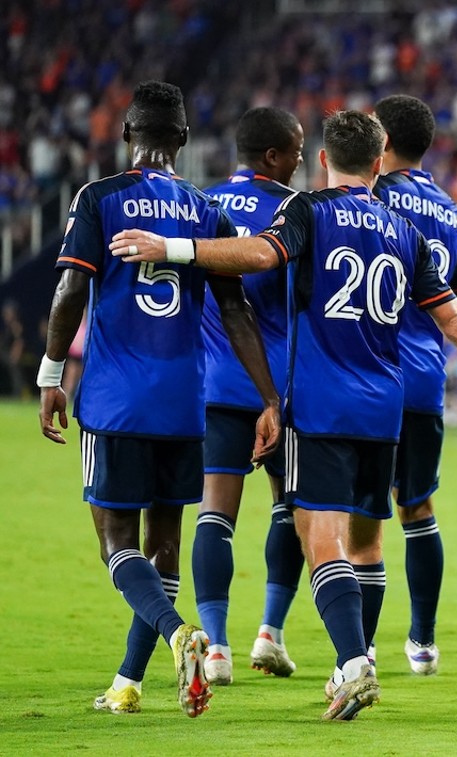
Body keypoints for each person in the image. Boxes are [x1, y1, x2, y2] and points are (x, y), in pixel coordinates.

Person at [109, 111, 457, 721]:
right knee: (367, 543)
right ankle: (367, 650)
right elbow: (455, 318)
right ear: (378, 164)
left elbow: (260, 256)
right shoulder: (404, 229)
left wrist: (174, 247)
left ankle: (353, 664)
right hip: (384, 410)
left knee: (322, 542)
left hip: (318, 407)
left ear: (322, 160)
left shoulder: (308, 211)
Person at [37, 80, 282, 718]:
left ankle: (180, 634)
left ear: (126, 135)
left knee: (116, 543)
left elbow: (69, 292)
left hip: (116, 401)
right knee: (164, 543)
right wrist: (269, 398)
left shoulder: (100, 197)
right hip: (184, 402)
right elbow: (237, 312)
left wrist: (50, 373)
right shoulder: (207, 212)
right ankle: (128, 683)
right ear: (184, 140)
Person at [192, 107, 306, 686]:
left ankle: (215, 647)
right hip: (281, 389)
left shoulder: (201, 204)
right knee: (289, 505)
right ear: (273, 157)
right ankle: (271, 633)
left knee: (216, 512)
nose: (303, 160)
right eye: (296, 150)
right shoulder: (294, 212)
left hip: (213, 382)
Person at [371, 94, 457, 676]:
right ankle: (423, 642)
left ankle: (360, 652)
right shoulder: (451, 212)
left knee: (361, 516)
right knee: (418, 507)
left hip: (366, 369)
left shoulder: (370, 197)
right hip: (425, 374)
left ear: (380, 141)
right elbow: (449, 295)